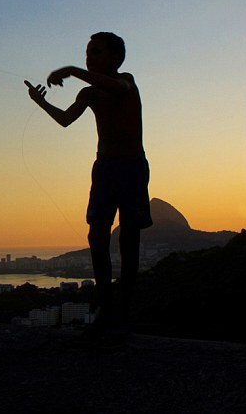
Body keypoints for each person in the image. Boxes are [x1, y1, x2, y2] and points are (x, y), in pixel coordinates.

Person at [25, 32, 151, 339]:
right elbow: (67, 119)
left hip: (131, 166)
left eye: (95, 52)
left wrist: (71, 71)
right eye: (87, 53)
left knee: (129, 241)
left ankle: (124, 313)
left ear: (115, 59)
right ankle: (106, 310)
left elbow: (117, 87)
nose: (88, 58)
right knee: (97, 236)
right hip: (105, 168)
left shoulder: (126, 81)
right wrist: (41, 102)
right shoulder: (90, 94)